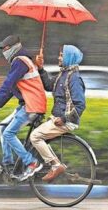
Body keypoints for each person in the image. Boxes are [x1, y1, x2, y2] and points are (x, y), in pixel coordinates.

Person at [0, 35, 46, 181]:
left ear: (14, 48)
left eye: (5, 48)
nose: (3, 51)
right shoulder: (21, 62)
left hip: (32, 106)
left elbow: (7, 85)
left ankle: (31, 162)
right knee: (2, 128)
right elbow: (11, 89)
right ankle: (8, 165)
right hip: (28, 104)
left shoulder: (20, 61)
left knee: (8, 133)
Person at [30, 45, 86, 182]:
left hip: (65, 121)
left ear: (69, 57)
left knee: (35, 136)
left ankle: (55, 165)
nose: (59, 58)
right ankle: (53, 163)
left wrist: (64, 119)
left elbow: (80, 105)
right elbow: (49, 85)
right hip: (57, 118)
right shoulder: (63, 74)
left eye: (61, 55)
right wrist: (41, 68)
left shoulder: (74, 79)